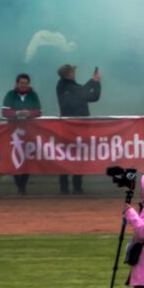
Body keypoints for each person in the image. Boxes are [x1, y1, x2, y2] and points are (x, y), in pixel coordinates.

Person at [54, 64, 102, 195]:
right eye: (72, 71)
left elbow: (82, 90)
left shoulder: (62, 85)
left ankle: (66, 187)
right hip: (77, 128)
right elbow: (92, 96)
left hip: (69, 127)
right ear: (68, 74)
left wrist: (93, 81)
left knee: (68, 157)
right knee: (77, 157)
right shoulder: (69, 87)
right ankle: (75, 187)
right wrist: (96, 82)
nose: (75, 73)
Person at [1, 73, 42, 196]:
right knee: (14, 158)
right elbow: (4, 111)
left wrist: (29, 113)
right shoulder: (10, 94)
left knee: (27, 159)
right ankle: (19, 186)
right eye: (21, 83)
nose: (23, 85)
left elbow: (39, 111)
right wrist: (18, 113)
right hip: (12, 131)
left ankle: (22, 186)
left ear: (28, 84)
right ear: (17, 83)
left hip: (29, 130)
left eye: (26, 83)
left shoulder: (33, 95)